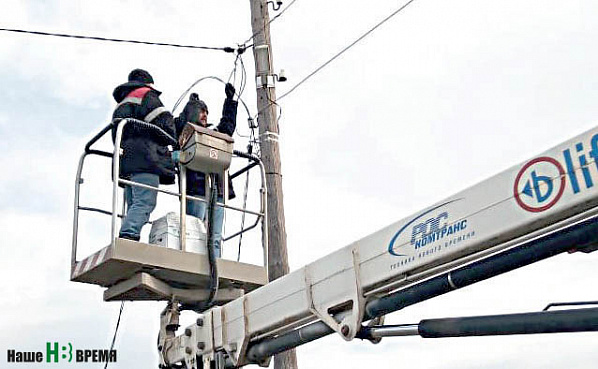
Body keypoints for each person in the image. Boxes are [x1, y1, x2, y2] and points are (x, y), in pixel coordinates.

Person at [112, 68, 176, 241]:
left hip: (126, 162)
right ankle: (129, 235)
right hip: (146, 159)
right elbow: (166, 125)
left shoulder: (122, 103)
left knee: (133, 204)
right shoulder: (145, 94)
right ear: (148, 83)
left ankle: (129, 234)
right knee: (145, 202)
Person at [174, 83, 238, 257]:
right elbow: (176, 126)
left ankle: (214, 264)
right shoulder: (183, 135)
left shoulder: (214, 133)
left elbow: (228, 126)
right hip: (196, 190)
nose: (205, 115)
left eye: (206, 112)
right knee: (194, 231)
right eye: (201, 111)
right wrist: (192, 105)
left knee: (215, 236)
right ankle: (192, 260)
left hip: (217, 190)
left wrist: (230, 101)